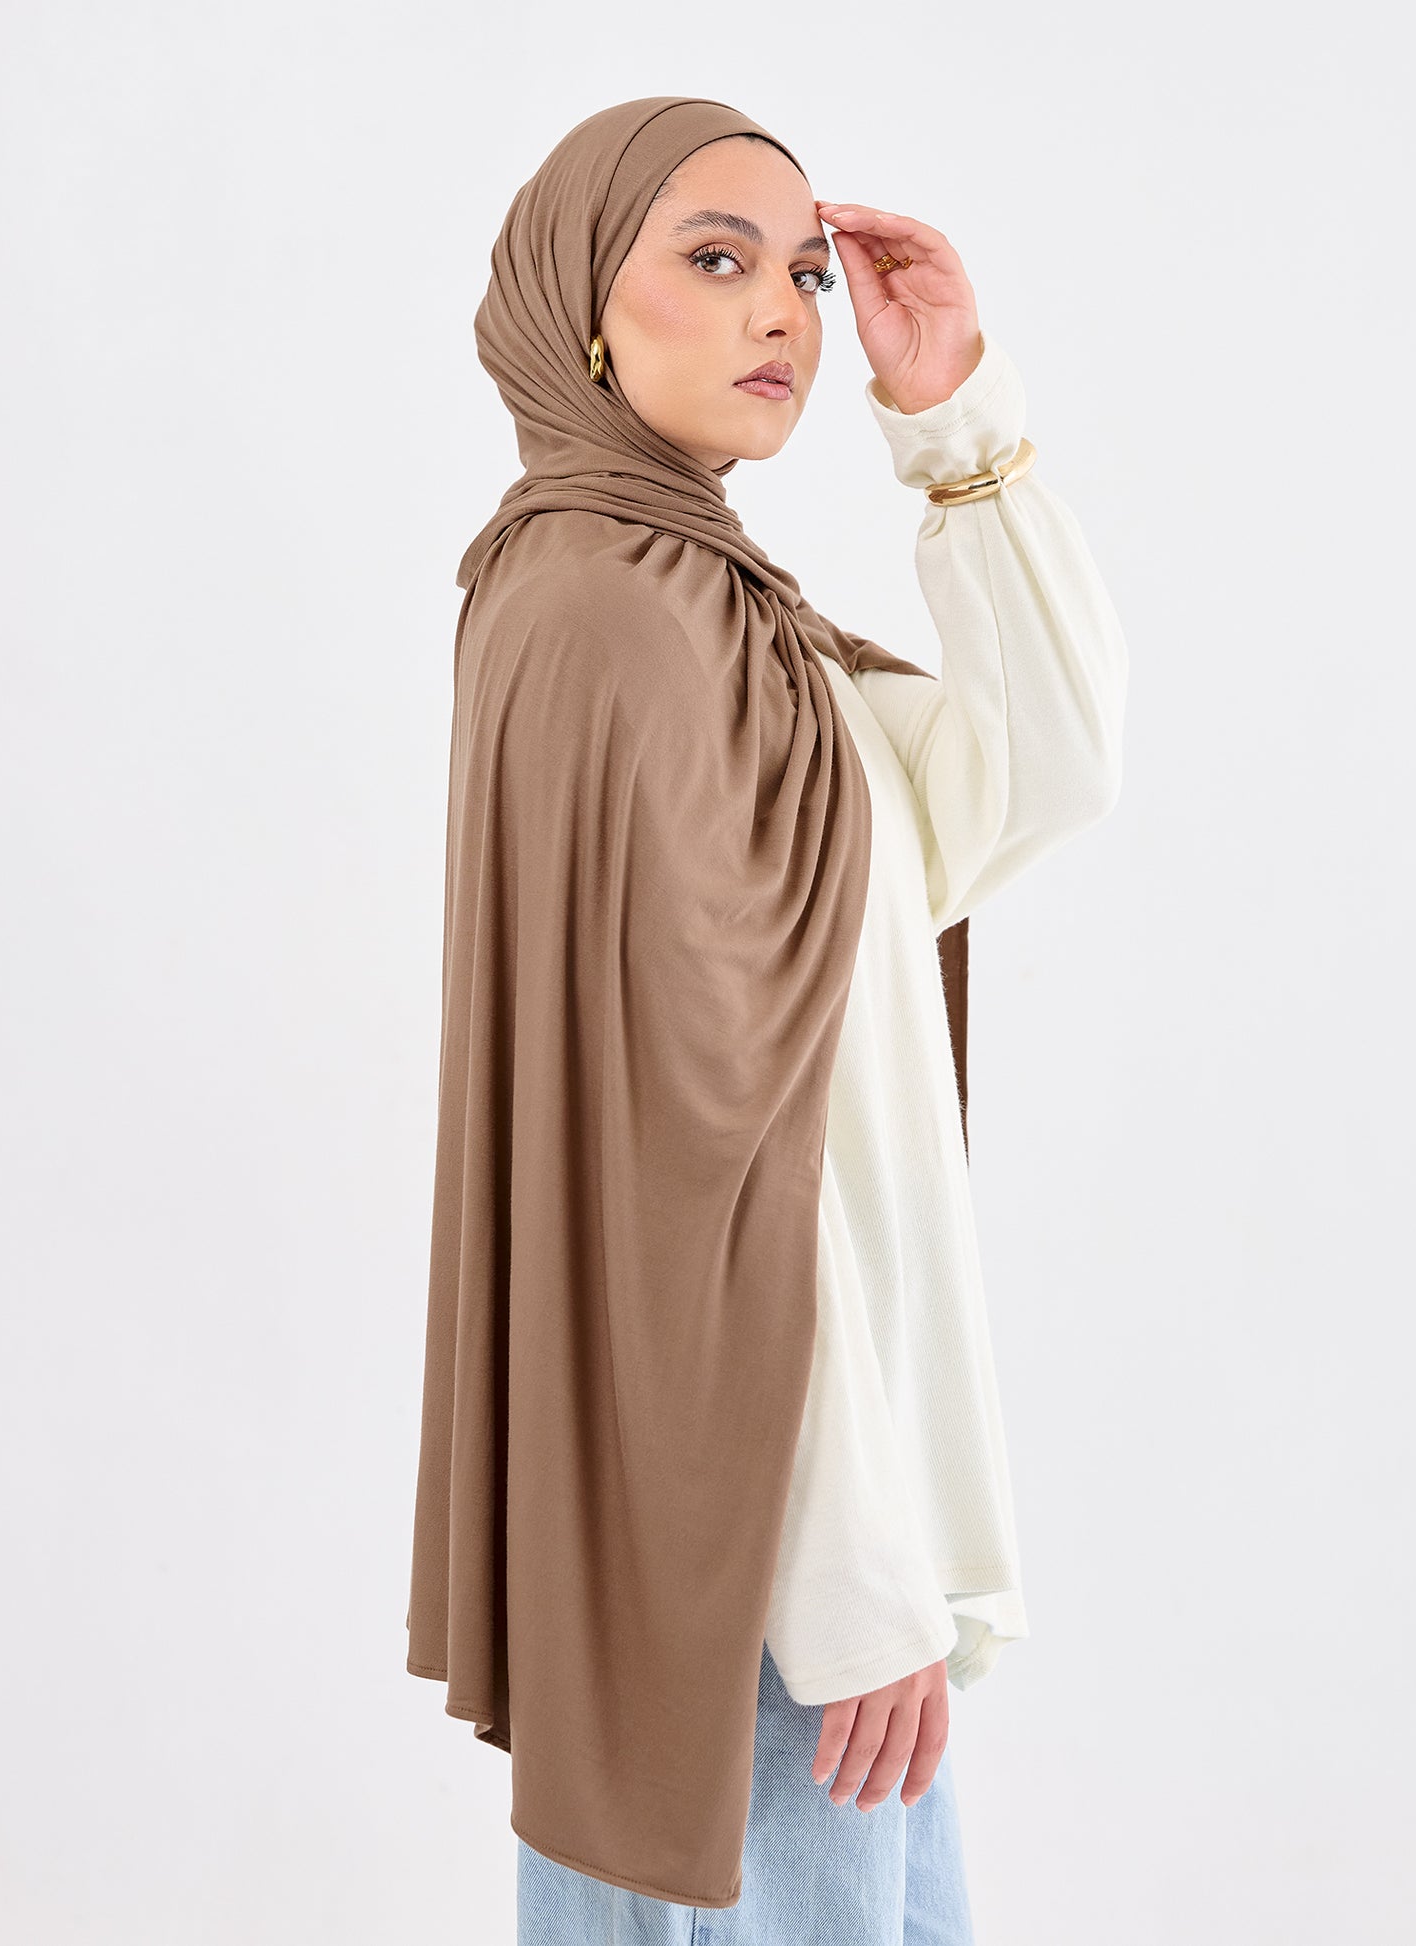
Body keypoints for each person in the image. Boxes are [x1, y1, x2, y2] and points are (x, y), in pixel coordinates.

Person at [405, 97, 1129, 1945]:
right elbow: (689, 1159)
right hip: (744, 1544)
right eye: (714, 258)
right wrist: (852, 1577)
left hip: (795, 1516)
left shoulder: (732, 624)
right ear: (580, 306)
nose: (781, 312)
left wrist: (953, 423)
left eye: (800, 270)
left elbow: (1035, 777)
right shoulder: (602, 615)